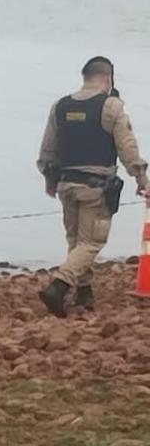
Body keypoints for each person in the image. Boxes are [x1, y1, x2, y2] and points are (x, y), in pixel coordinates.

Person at [36, 56, 150, 317]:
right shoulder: (111, 107)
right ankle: (59, 285)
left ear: (85, 77)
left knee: (75, 241)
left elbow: (47, 151)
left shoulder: (61, 107)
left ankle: (84, 293)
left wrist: (49, 180)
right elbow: (127, 148)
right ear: (108, 79)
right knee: (91, 242)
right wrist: (142, 180)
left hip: (66, 185)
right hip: (95, 188)